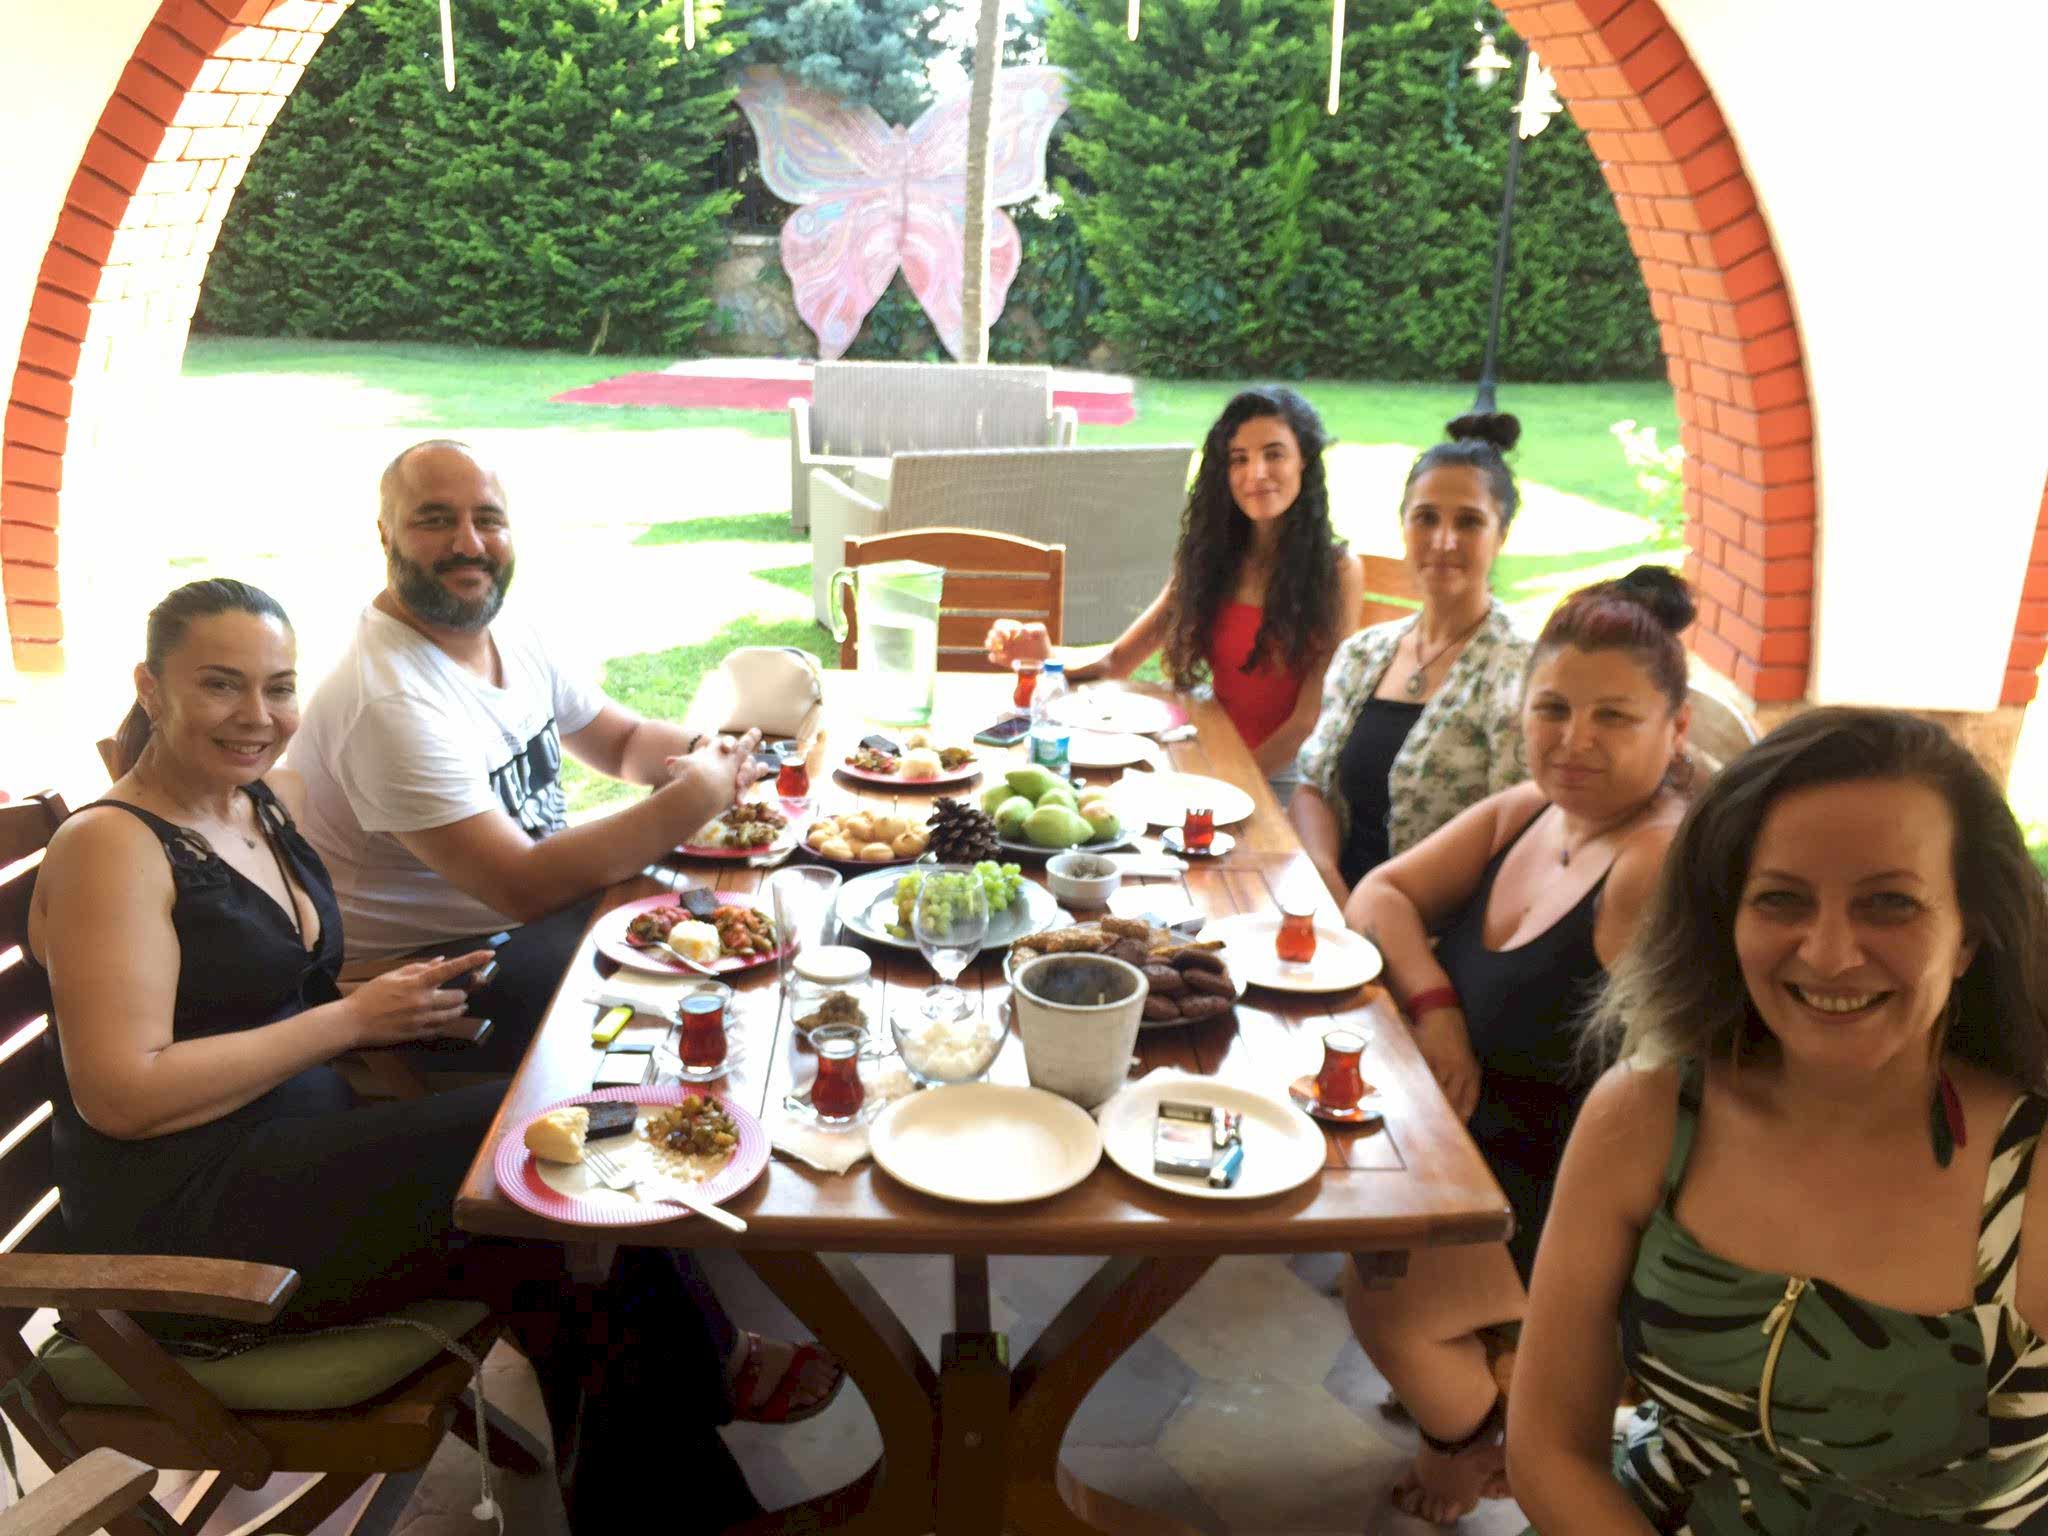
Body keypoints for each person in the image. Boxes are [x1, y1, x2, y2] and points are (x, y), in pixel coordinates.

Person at [26, 580, 784, 1526]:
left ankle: (671, 1470)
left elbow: (248, 996)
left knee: (565, 1178)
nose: (257, 715)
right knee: (566, 1153)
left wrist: (401, 1006)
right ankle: (692, 1456)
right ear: (150, 687)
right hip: (196, 1238)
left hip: (299, 1150)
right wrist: (352, 1022)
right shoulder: (111, 847)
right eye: (220, 684)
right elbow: (123, 1096)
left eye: (278, 687)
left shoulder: (256, 805)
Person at [1509, 708, 2048, 1533]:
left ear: (1969, 935)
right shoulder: (1646, 1114)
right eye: (1781, 900)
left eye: (1890, 904)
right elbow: (1549, 1448)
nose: (1829, 954)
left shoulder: (2036, 1175)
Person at [1339, 566, 1696, 1524]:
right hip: (1469, 1153)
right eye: (1553, 708)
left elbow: (1692, 1092)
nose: (1574, 739)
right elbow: (1379, 895)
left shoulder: (1655, 863)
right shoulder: (1531, 812)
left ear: (1676, 729)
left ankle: (1477, 1435)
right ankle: (1495, 1383)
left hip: (1570, 1200)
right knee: (1353, 1203)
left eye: (1614, 717)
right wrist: (1437, 1009)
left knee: (1384, 1293)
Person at [291, 439, 762, 1062]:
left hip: (533, 918)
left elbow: (621, 743)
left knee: (739, 922)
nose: (468, 543)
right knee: (708, 985)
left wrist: (713, 754)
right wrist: (694, 795)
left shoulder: (503, 628)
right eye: (435, 520)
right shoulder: (385, 700)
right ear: (386, 534)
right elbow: (522, 885)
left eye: (487, 519)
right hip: (432, 976)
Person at [983, 386, 1364, 790]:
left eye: (1274, 454)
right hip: (1208, 747)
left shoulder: (1337, 572)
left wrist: (1225, 784)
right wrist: (1048, 659)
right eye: (1239, 459)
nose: (1256, 473)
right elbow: (1117, 662)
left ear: (1304, 459)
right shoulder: (1210, 559)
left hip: (1288, 770)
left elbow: (1308, 721)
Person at [1291, 414, 1531, 901]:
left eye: (1469, 521)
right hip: (1329, 903)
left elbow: (1517, 838)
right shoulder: (1363, 653)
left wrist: (1375, 911)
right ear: (1403, 525)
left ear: (1501, 536)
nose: (1444, 541)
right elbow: (1312, 785)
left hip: (1438, 923)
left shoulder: (1521, 672)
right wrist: (1328, 880)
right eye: (1426, 518)